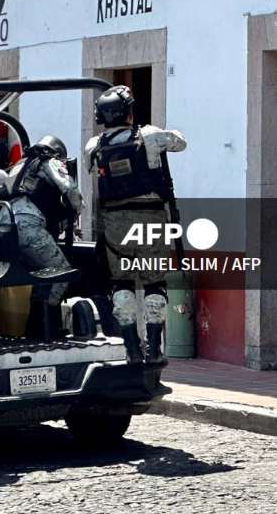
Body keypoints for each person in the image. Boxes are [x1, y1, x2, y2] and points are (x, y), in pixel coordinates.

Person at [84, 85, 187, 362]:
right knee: (154, 283)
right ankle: (154, 349)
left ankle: (131, 347)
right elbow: (180, 142)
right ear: (129, 111)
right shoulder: (149, 135)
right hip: (150, 217)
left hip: (114, 222)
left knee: (122, 284)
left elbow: (90, 169)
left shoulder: (94, 146)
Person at [6, 135, 83, 337]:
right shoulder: (50, 161)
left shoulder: (22, 165)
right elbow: (69, 188)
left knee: (43, 275)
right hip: (28, 224)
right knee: (61, 273)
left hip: (6, 225)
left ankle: (35, 328)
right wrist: (78, 208)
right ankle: (46, 327)